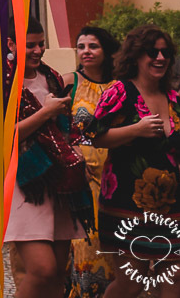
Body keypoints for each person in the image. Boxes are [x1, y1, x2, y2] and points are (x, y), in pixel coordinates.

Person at [86, 24, 180, 297]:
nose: (160, 58)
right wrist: (136, 130)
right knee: (132, 283)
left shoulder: (175, 99)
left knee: (176, 284)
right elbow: (92, 136)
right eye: (152, 52)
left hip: (174, 207)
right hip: (125, 208)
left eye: (166, 53)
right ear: (136, 56)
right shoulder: (120, 92)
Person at [4, 21, 90, 298]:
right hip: (25, 182)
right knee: (41, 269)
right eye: (30, 45)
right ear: (11, 44)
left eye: (41, 43)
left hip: (60, 182)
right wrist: (45, 112)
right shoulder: (0, 82)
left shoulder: (51, 77)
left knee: (57, 274)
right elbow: (0, 139)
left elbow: (64, 127)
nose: (38, 50)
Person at [65, 26, 119, 298]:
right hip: (81, 179)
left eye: (93, 46)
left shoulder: (122, 86)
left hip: (116, 177)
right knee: (85, 244)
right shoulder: (68, 82)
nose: (86, 51)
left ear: (106, 51)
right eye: (81, 46)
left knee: (115, 246)